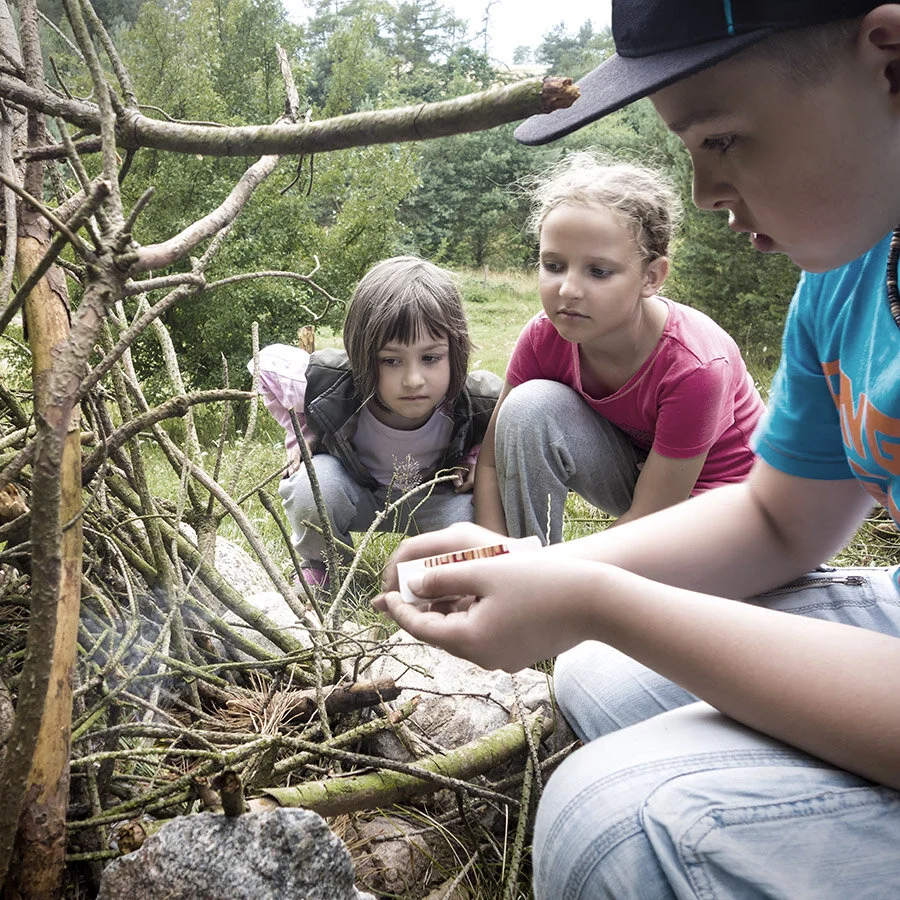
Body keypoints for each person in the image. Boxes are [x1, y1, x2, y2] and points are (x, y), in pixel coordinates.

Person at [374, 2, 900, 897]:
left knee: (606, 826)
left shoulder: (698, 358)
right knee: (595, 672)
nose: (701, 195)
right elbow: (779, 519)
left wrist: (597, 596)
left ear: (889, 58)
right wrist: (544, 568)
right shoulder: (843, 277)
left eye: (725, 140)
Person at [476, 153, 764, 543]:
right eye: (554, 265)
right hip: (647, 482)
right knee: (529, 406)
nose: (568, 290)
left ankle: (541, 585)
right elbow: (491, 464)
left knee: (650, 595)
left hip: (730, 510)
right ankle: (524, 566)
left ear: (651, 276)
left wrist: (551, 580)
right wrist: (492, 554)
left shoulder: (694, 365)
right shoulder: (545, 336)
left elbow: (650, 519)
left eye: (598, 271)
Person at [252, 255, 501, 589]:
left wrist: (475, 458)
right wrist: (302, 434)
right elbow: (263, 365)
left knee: (478, 518)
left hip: (436, 500)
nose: (414, 380)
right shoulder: (331, 382)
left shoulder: (479, 400)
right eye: (391, 361)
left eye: (430, 358)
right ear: (361, 355)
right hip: (358, 494)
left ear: (455, 352)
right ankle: (327, 569)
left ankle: (436, 578)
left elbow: (510, 424)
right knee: (312, 487)